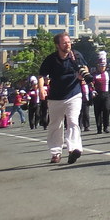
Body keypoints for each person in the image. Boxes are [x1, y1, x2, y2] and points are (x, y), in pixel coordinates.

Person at [37, 31, 91, 164]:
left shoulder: (76, 55)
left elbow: (85, 67)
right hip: (55, 97)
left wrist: (84, 76)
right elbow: (41, 76)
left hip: (74, 94)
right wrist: (41, 90)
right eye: (64, 43)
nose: (68, 45)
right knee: (55, 125)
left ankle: (74, 149)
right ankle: (56, 152)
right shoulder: (51, 59)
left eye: (69, 42)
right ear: (57, 45)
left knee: (73, 121)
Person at [90, 51, 110, 134]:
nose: (102, 67)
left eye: (104, 66)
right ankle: (99, 127)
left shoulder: (108, 74)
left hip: (106, 94)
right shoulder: (94, 74)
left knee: (106, 109)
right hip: (98, 94)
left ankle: (106, 126)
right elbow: (91, 84)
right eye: (101, 66)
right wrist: (92, 91)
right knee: (97, 111)